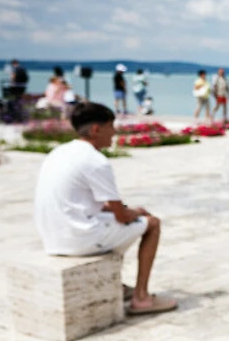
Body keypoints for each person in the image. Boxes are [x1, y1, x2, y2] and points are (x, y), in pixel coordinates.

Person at [33, 101, 176, 316]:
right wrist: (138, 213)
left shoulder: (59, 152)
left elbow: (92, 204)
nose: (114, 132)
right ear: (96, 130)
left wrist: (130, 211)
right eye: (111, 126)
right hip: (77, 240)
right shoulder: (95, 161)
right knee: (152, 224)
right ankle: (142, 298)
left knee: (120, 224)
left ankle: (116, 285)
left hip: (52, 238)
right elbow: (122, 216)